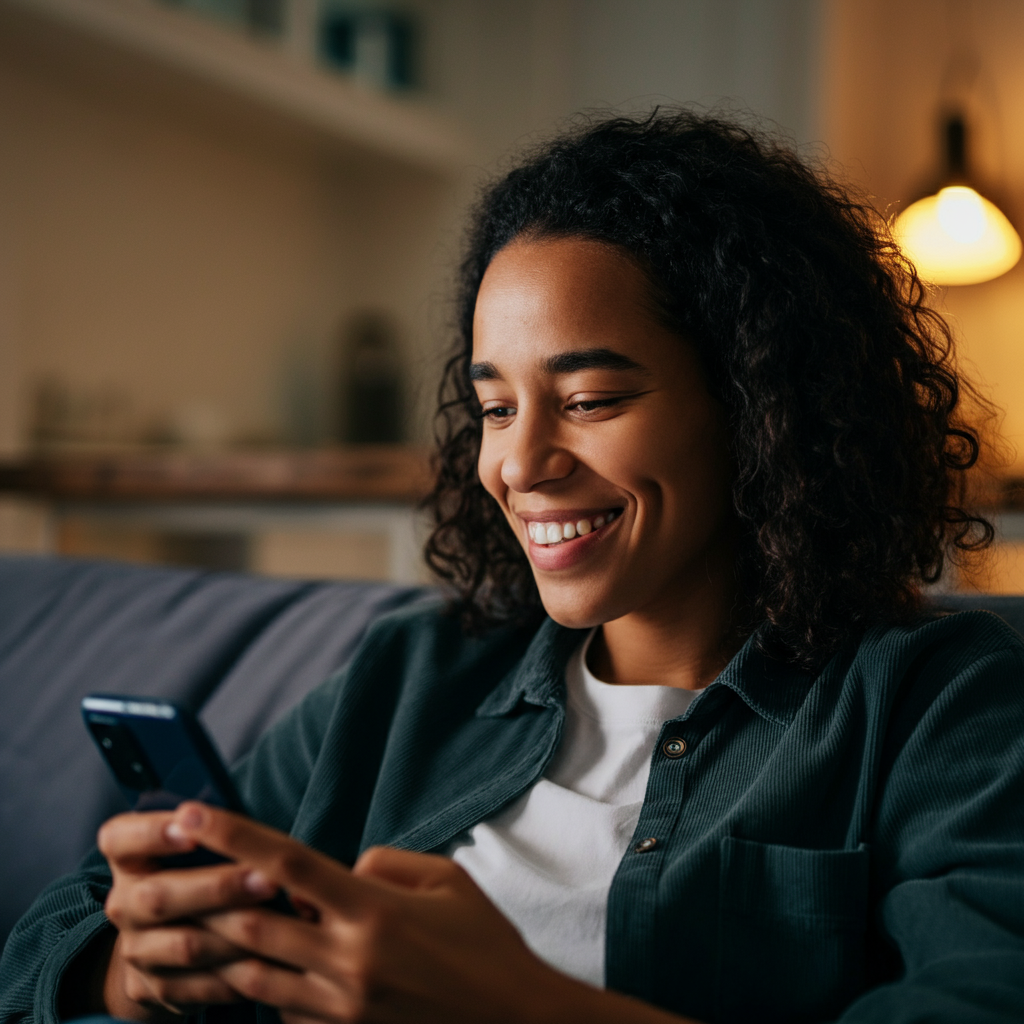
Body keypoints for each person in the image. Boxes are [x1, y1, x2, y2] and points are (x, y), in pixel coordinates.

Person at [3, 110, 1024, 1024]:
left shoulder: (939, 704)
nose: (520, 464)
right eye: (496, 406)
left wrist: (514, 1003)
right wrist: (138, 969)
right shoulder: (415, 673)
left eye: (587, 400)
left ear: (760, 411)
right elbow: (46, 941)